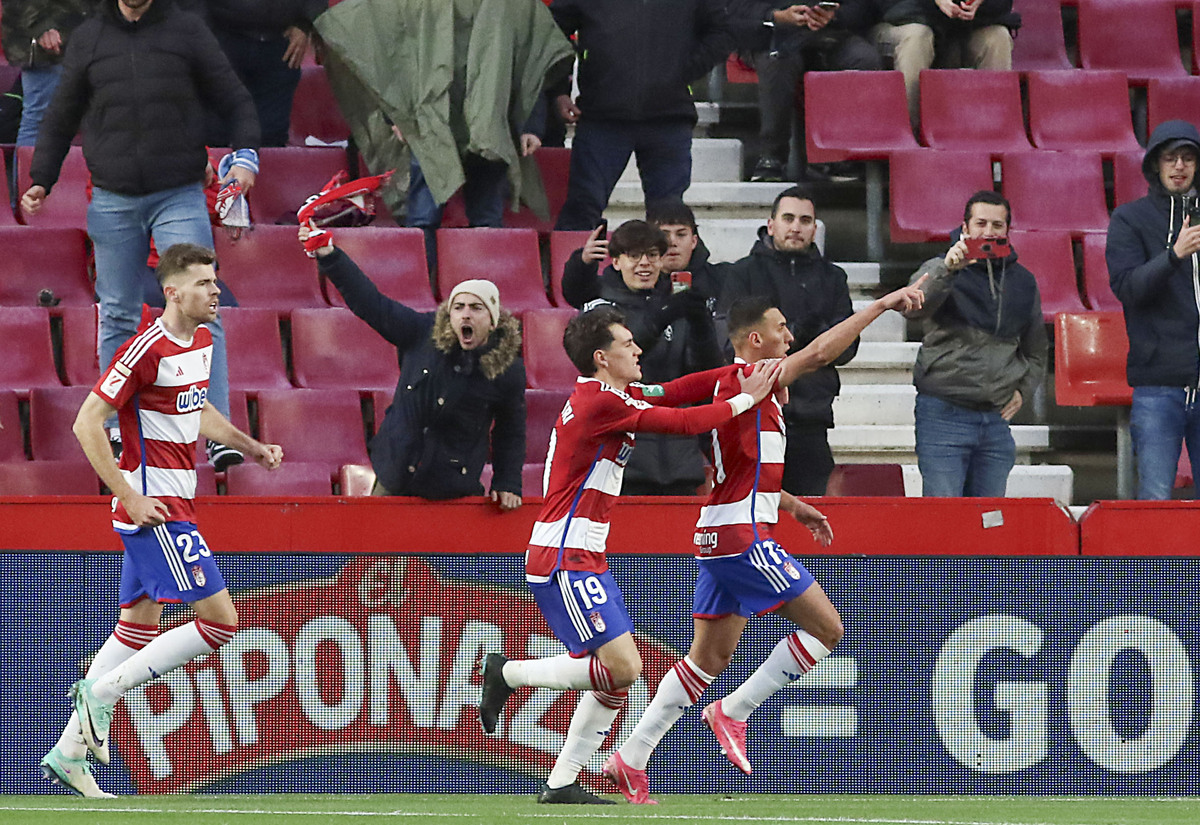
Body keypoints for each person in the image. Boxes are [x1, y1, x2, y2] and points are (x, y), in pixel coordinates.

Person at [603, 281, 927, 804]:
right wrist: (885, 304)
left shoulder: (721, 382)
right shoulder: (757, 376)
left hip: (717, 533)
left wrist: (795, 506)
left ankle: (631, 755)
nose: (790, 337)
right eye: (781, 330)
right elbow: (822, 352)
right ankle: (735, 711)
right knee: (828, 629)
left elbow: (682, 412)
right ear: (755, 341)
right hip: (743, 536)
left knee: (704, 662)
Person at [477, 305, 781, 804]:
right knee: (625, 667)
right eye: (627, 344)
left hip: (585, 554)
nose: (638, 350)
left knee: (616, 675)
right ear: (602, 357)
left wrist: (735, 373)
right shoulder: (601, 403)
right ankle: (507, 674)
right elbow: (684, 423)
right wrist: (745, 399)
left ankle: (562, 783)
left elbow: (678, 389)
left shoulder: (614, 394)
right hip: (563, 553)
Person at [40, 243, 283, 798]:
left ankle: (70, 753)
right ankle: (102, 695)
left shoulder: (200, 341)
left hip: (177, 500)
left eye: (215, 281)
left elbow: (197, 412)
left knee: (137, 626)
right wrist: (128, 495)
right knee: (221, 621)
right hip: (155, 508)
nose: (215, 291)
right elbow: (87, 423)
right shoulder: (145, 348)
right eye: (202, 283)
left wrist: (249, 445)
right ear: (172, 291)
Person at [21, 0, 261, 472]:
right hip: (112, 197)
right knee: (117, 314)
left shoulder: (187, 30)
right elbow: (61, 113)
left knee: (203, 309)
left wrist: (247, 156)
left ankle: (217, 435)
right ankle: (115, 430)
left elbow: (235, 98)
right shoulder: (88, 38)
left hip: (179, 192)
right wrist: (41, 178)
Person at [299, 222, 525, 507]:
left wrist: (508, 482)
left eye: (476, 308)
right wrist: (330, 255)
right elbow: (371, 304)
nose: (465, 315)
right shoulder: (422, 332)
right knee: (377, 552)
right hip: (395, 474)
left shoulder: (508, 369)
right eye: (459, 307)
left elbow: (511, 430)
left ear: (492, 321)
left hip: (452, 490)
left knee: (446, 553)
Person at [902, 190, 1047, 497]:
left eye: (997, 225)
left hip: (996, 420)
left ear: (1008, 230)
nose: (989, 232)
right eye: (981, 223)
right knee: (944, 523)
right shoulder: (938, 267)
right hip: (943, 413)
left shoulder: (1024, 281)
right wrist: (948, 270)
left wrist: (1024, 390)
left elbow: (1036, 349)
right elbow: (912, 307)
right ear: (965, 227)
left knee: (988, 526)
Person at [562, 220, 724, 495]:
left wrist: (701, 326)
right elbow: (616, 361)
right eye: (634, 255)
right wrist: (663, 316)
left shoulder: (677, 302)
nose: (644, 263)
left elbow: (704, 372)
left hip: (680, 461)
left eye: (652, 255)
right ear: (616, 262)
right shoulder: (600, 308)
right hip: (622, 463)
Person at [716, 185, 855, 496]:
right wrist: (808, 333)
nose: (796, 227)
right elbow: (733, 345)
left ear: (815, 229)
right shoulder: (742, 274)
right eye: (788, 218)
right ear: (771, 224)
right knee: (752, 513)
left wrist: (779, 336)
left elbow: (848, 348)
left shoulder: (834, 278)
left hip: (811, 418)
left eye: (805, 221)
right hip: (753, 418)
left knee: (810, 518)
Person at [549, 0, 735, 231]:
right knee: (583, 207)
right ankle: (574, 267)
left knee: (669, 217)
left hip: (668, 118)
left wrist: (683, 72)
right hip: (602, 117)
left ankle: (667, 269)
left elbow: (722, 32)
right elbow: (551, 31)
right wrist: (559, 89)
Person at [1107, 120, 1200, 500]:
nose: (1179, 167)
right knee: (1155, 499)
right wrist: (1173, 256)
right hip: (1159, 381)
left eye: (1188, 158)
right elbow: (1128, 288)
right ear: (1156, 165)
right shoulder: (1130, 219)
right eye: (1170, 158)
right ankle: (1153, 564)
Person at [730, 1, 881, 183]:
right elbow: (734, 7)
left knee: (865, 59)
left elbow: (865, 8)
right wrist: (777, 15)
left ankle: (844, 155)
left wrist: (833, 16)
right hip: (771, 33)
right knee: (778, 60)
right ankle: (772, 157)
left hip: (831, 32)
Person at [871, 0, 1019, 130]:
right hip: (895, 25)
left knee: (997, 38)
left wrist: (978, 3)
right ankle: (909, 136)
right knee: (917, 37)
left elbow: (1002, 6)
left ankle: (995, 134)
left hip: (954, 32)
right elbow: (894, 10)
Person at [200, 0, 326, 147]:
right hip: (223, 37)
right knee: (215, 133)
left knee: (271, 137)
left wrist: (304, 25)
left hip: (281, 43)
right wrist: (201, 31)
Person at [0, 0, 93, 146]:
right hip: (49, 44)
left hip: (96, 33)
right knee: (40, 122)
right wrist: (41, 27)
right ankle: (31, 168)